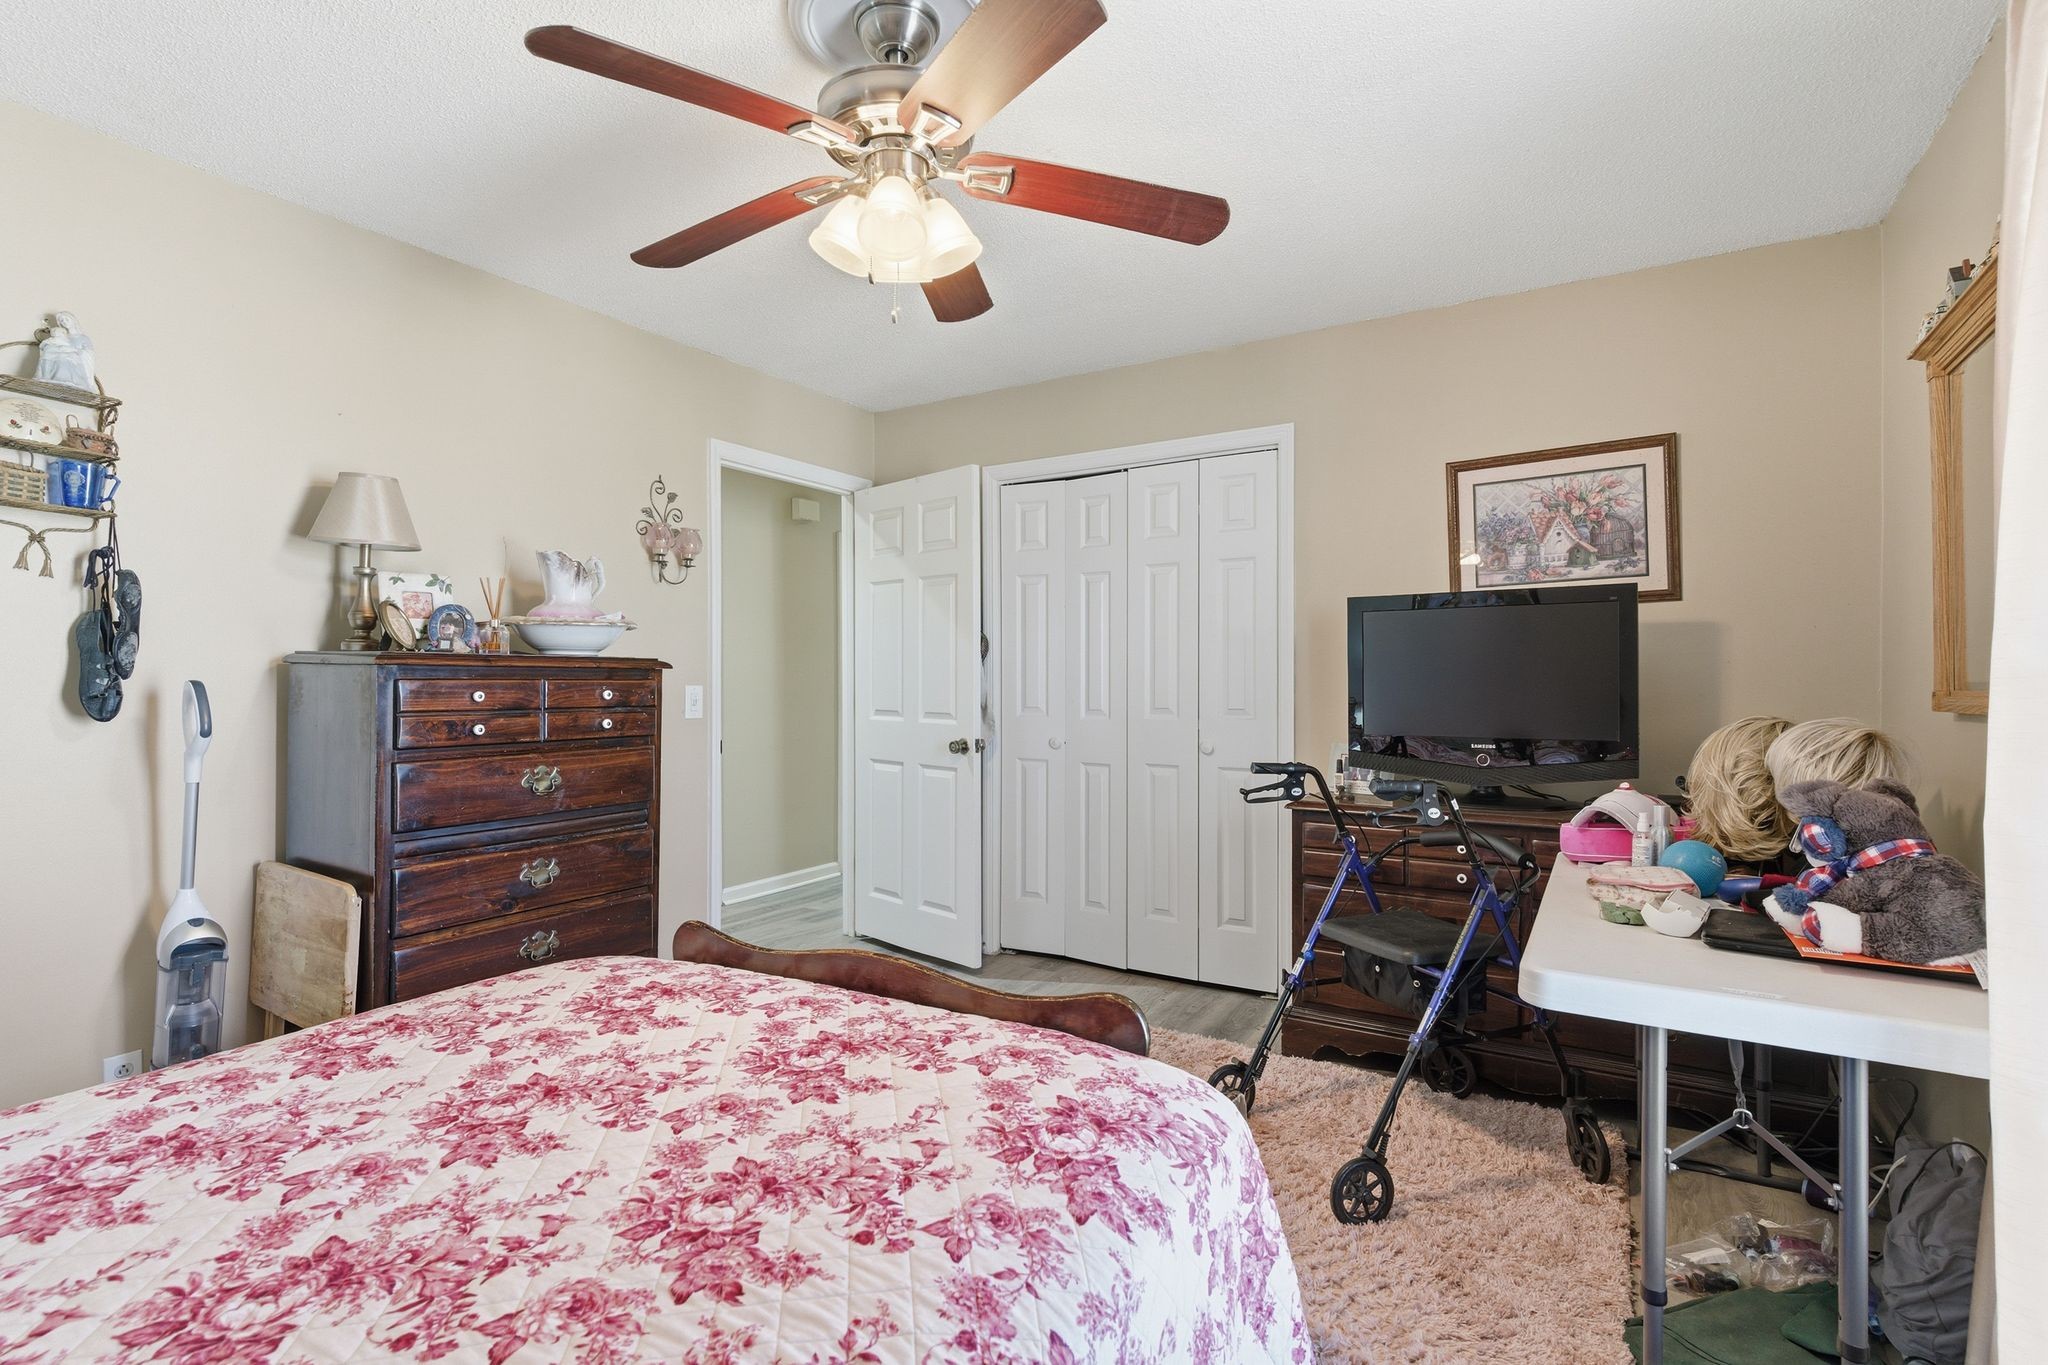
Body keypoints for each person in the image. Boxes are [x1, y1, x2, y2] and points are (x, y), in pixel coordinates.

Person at [34, 312, 95, 391]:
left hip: (74, 359)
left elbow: (88, 354)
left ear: (73, 320)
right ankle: (47, 376)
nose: (64, 322)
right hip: (58, 355)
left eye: (66, 319)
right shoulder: (62, 334)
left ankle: (66, 379)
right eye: (62, 321)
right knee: (49, 352)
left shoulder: (83, 338)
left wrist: (75, 351)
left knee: (63, 358)